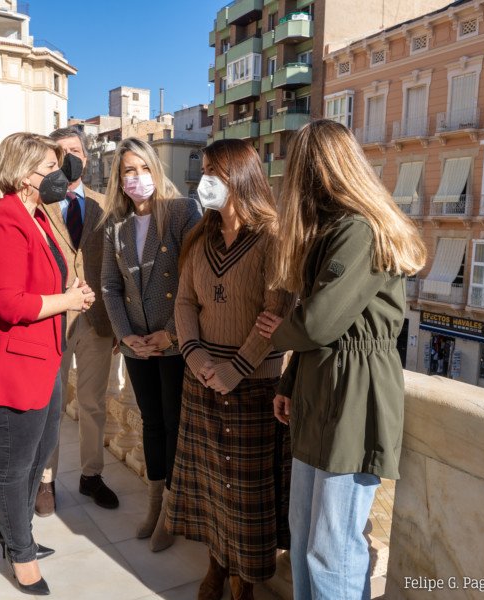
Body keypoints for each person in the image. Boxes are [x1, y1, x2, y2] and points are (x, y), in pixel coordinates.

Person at [255, 119, 426, 600]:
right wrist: (289, 386)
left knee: (333, 548)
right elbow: (320, 328)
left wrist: (276, 335)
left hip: (354, 395)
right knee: (306, 539)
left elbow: (317, 324)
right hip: (323, 388)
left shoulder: (360, 231)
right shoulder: (333, 230)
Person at [0, 132, 96, 595]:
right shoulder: (3, 221)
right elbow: (7, 304)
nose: (59, 175)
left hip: (43, 357)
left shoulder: (38, 216)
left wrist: (69, 296)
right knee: (14, 465)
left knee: (38, 455)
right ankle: (19, 553)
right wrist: (68, 300)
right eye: (49, 166)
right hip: (12, 365)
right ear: (24, 175)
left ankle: (15, 533)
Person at [168, 138, 294, 600]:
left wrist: (234, 370)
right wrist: (200, 360)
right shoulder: (198, 238)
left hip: (254, 387)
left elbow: (274, 314)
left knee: (245, 496)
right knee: (211, 488)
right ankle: (217, 565)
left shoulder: (273, 239)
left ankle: (243, 578)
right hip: (201, 383)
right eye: (203, 172)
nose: (204, 182)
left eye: (213, 173)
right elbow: (184, 303)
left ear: (239, 176)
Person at [100, 137, 201, 551]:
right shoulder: (115, 225)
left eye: (143, 168)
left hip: (174, 344)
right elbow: (109, 286)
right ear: (119, 178)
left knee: (176, 425)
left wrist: (173, 334)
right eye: (128, 171)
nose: (136, 178)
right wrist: (126, 337)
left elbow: (197, 278)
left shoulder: (181, 212)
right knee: (151, 423)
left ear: (156, 171)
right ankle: (156, 502)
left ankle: (173, 512)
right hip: (137, 346)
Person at [36, 127, 118, 517]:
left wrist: (120, 323)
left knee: (93, 403)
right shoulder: (40, 205)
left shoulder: (107, 205)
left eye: (74, 150)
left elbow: (119, 268)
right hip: (53, 317)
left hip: (99, 321)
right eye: (60, 152)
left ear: (86, 157)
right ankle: (46, 480)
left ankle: (92, 475)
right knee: (51, 403)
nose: (69, 157)